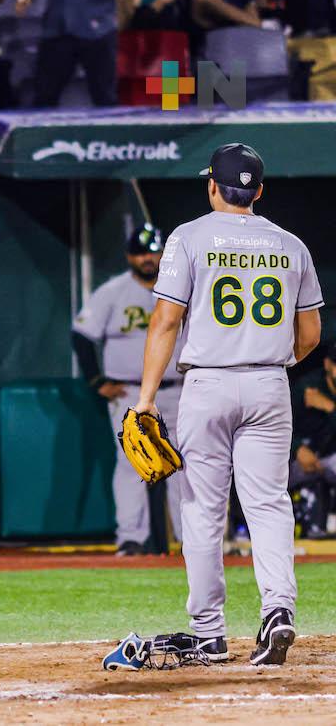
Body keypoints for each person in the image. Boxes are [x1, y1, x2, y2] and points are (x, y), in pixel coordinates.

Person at [134, 142, 322, 665]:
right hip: (269, 383)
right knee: (268, 505)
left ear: (211, 185)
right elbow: (309, 334)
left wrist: (146, 399)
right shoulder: (291, 245)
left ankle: (209, 631)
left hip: (209, 385)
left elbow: (166, 320)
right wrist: (268, 358)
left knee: (202, 510)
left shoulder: (189, 236)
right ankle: (279, 609)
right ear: (258, 191)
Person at [72, 224, 184, 556]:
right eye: (141, 252)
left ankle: (192, 540)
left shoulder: (181, 288)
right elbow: (81, 335)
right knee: (132, 462)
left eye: (153, 251)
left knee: (186, 466)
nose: (148, 258)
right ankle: (132, 538)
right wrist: (96, 380)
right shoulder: (113, 291)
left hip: (178, 389)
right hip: (130, 391)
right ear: (129, 256)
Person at [17, 0, 126, 107]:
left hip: (100, 28)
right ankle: (42, 129)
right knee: (45, 96)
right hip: (58, 29)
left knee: (105, 97)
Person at [289, 343, 336, 538]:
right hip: (293, 462)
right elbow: (273, 424)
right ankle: (245, 531)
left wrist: (330, 407)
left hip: (327, 460)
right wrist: (297, 448)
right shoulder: (305, 387)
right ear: (328, 364)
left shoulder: (322, 397)